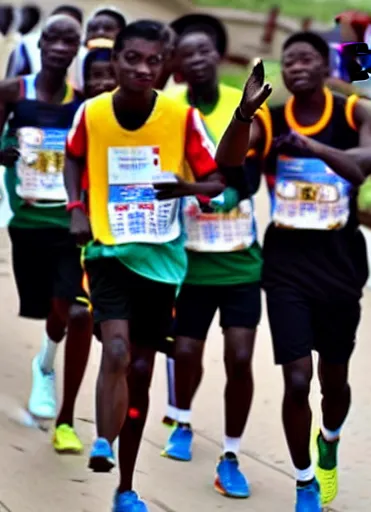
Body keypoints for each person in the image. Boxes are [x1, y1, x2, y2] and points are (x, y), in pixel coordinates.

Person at [64, 19, 270, 512]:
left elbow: (217, 180)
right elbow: (73, 157)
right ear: (114, 61)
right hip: (110, 253)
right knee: (114, 350)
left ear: (164, 66)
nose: (141, 68)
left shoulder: (179, 118)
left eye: (153, 61)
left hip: (161, 263)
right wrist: (76, 208)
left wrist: (185, 190)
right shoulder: (91, 113)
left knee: (139, 368)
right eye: (131, 58)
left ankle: (126, 487)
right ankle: (101, 444)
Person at [216, 31, 371, 511]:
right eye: (288, 61)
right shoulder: (271, 120)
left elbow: (369, 162)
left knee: (334, 381)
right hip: (286, 267)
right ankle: (304, 480)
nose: (296, 67)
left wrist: (313, 149)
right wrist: (244, 114)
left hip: (340, 266)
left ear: (324, 63)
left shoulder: (354, 112)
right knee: (296, 380)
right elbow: (227, 161)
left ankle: (328, 438)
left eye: (306, 58)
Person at [161, 15, 262, 499]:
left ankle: (231, 453)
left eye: (206, 50)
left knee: (240, 357)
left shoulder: (246, 108)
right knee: (184, 352)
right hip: (189, 257)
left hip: (240, 258)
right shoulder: (169, 107)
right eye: (187, 52)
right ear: (175, 61)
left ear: (219, 55)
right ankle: (180, 421)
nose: (197, 58)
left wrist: (193, 185)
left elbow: (244, 180)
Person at [0, 14, 92, 454]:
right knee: (46, 308)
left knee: (72, 308)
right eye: (53, 37)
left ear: (78, 48)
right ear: (41, 44)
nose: (60, 45)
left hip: (70, 223)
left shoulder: (83, 101)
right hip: (27, 221)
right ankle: (46, 354)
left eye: (69, 40)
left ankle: (46, 369)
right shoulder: (13, 92)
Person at [6, 5, 83, 78]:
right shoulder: (27, 44)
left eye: (68, 40)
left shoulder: (84, 55)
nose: (59, 47)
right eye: (53, 38)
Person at [73, 7, 127, 92]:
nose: (100, 33)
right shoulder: (75, 61)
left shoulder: (127, 62)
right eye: (93, 29)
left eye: (108, 29)